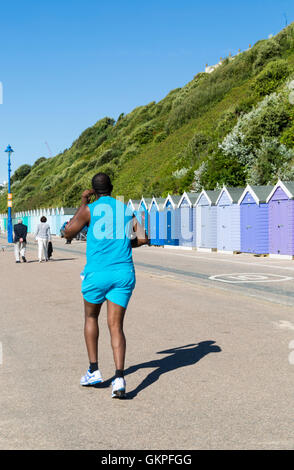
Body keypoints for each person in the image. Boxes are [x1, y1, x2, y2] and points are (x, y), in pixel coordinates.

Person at [65, 172, 148, 398]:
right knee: (116, 326)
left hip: (97, 273)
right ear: (111, 188)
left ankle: (94, 370)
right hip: (123, 273)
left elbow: (68, 231)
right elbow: (142, 238)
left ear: (93, 190)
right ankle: (119, 378)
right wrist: (126, 242)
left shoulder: (89, 209)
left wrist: (83, 203)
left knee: (91, 318)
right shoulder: (124, 209)